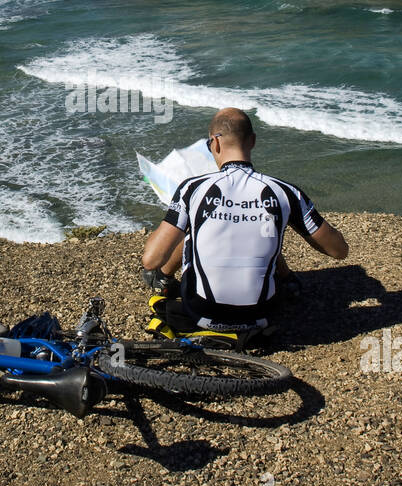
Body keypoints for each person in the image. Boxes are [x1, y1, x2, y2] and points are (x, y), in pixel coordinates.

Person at [141, 107, 348, 330]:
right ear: (253, 141)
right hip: (263, 315)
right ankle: (286, 280)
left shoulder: (193, 189)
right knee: (266, 227)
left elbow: (151, 259)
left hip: (202, 312)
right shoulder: (285, 192)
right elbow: (339, 251)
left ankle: (164, 280)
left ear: (215, 144)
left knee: (196, 224)